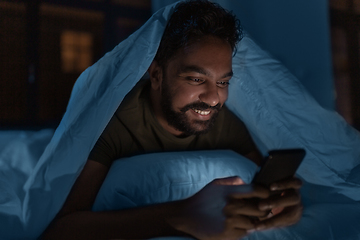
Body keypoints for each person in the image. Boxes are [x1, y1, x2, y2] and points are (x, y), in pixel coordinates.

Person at [42, 1, 302, 239]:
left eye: (223, 82)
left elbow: (260, 190)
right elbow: (61, 230)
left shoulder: (225, 123)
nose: (214, 99)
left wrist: (280, 207)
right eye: (196, 79)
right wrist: (183, 215)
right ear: (156, 75)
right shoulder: (113, 122)